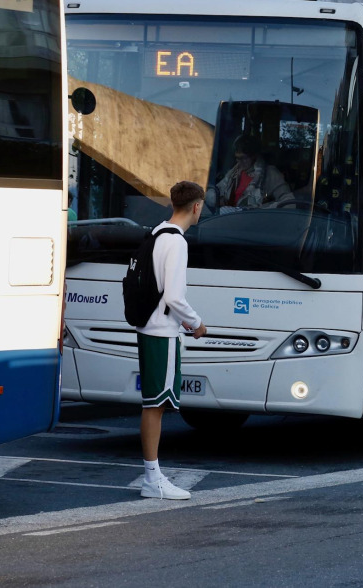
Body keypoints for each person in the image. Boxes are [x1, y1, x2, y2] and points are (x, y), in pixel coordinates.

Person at [136, 180, 208, 500]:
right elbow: (175, 297)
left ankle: (152, 476)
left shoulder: (156, 232)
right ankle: (152, 479)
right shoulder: (177, 242)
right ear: (196, 207)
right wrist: (196, 323)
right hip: (162, 330)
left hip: (149, 326)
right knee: (156, 405)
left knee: (155, 404)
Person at [208, 135, 294, 211]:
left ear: (254, 156)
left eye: (243, 158)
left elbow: (289, 202)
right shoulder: (234, 172)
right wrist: (217, 201)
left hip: (254, 223)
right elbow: (215, 191)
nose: (239, 162)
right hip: (229, 219)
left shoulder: (270, 173)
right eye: (237, 158)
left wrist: (259, 211)